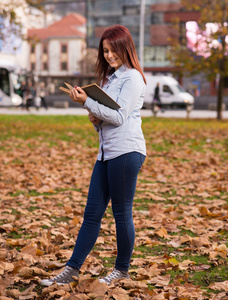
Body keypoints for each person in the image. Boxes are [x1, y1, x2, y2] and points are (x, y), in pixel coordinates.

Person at [40, 24, 147, 287]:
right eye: (106, 51)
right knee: (91, 214)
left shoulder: (132, 78)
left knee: (121, 213)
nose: (109, 55)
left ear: (126, 47)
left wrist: (88, 102)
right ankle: (71, 270)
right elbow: (105, 119)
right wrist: (94, 117)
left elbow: (120, 117)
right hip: (106, 153)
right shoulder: (108, 80)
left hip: (126, 151)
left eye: (113, 50)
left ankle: (122, 270)